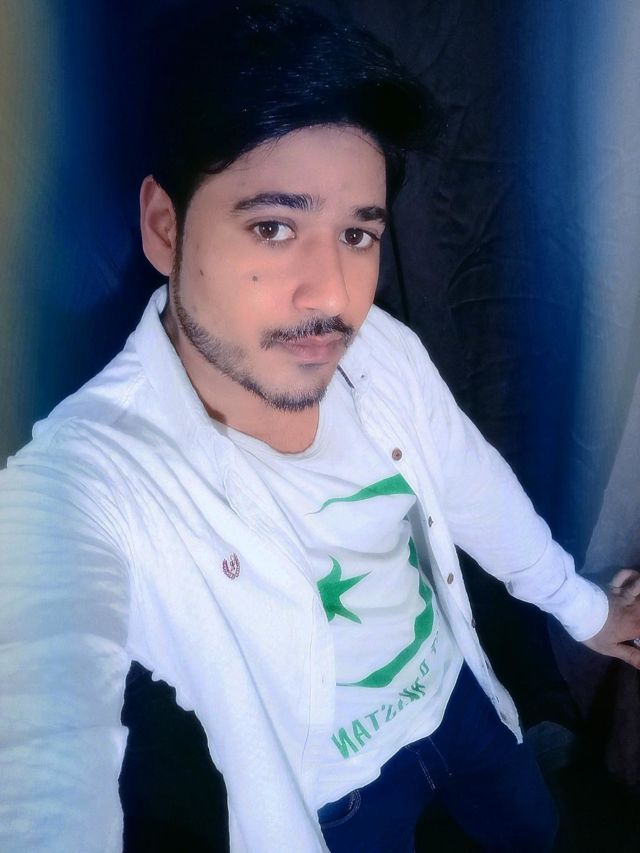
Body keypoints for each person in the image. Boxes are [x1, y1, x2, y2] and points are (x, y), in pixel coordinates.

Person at [2, 3, 640, 852]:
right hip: (337, 795)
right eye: (273, 227)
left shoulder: (381, 353)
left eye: (357, 233)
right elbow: (37, 738)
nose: (334, 295)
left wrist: (581, 608)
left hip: (461, 699)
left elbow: (471, 483)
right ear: (165, 227)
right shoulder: (84, 481)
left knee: (537, 832)